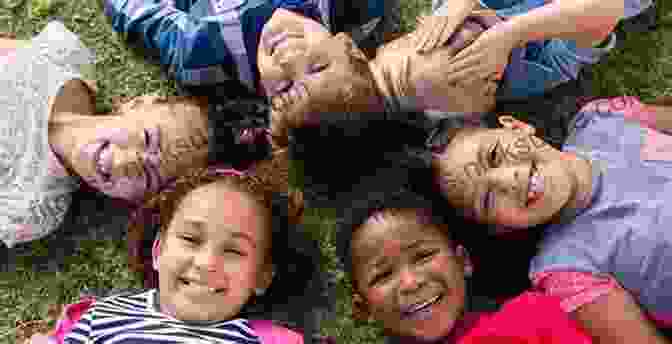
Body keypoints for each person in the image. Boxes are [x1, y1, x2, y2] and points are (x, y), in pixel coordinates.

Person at [0, 21, 269, 249]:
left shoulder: (32, 207)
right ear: (138, 104)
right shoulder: (59, 57)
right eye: (148, 138)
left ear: (140, 201)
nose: (127, 162)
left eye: (148, 176)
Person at [432, 95, 672, 343]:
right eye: (487, 199)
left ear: (516, 126)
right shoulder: (566, 270)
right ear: (499, 227)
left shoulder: (603, 117)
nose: (509, 180)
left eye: (494, 156)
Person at [261, 0, 625, 147]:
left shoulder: (451, 10)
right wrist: (509, 34)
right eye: (463, 64)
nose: (461, 40)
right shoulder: (538, 67)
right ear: (478, 105)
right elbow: (607, 7)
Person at [51, 154, 330, 344]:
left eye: (234, 251)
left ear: (262, 277)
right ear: (158, 250)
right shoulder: (103, 316)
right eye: (191, 239)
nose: (207, 262)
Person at [333, 164, 594, 344]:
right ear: (362, 308)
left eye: (422, 256)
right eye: (383, 275)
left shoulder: (534, 316)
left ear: (462, 261)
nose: (411, 283)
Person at [102, 0, 400, 97]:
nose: (289, 59)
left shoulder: (203, 51)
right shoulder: (364, 8)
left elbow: (137, 12)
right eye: (319, 66)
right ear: (350, 49)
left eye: (284, 87)